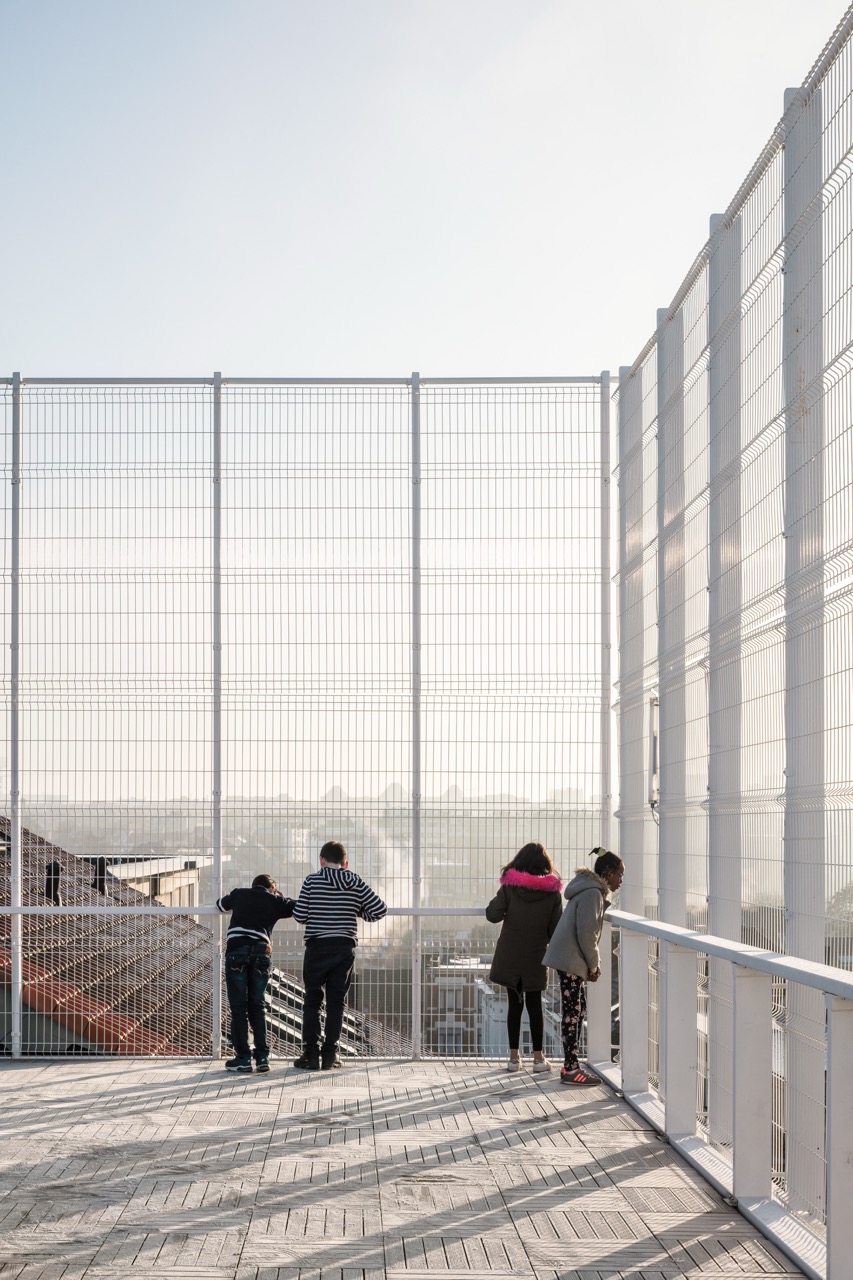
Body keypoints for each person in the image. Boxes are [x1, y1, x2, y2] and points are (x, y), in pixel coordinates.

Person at [291, 840, 387, 1071]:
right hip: (343, 948)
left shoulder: (312, 881)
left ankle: (311, 1054)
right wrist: (357, 910)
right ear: (345, 863)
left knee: (312, 1001)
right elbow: (379, 909)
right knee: (336, 1003)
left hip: (317, 947)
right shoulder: (354, 880)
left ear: (321, 860)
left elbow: (300, 915)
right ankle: (330, 1055)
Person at [543, 847, 624, 1085]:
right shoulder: (592, 894)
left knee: (576, 1011)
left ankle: (571, 1066)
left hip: (569, 957)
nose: (620, 881)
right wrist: (594, 965)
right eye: (619, 875)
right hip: (571, 959)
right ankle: (570, 1070)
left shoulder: (588, 889)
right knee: (573, 1014)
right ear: (608, 873)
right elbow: (587, 934)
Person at [485, 841, 563, 1072]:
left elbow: (492, 915)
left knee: (514, 1004)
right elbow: (555, 930)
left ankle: (513, 1059)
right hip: (535, 955)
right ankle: (538, 1059)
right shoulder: (552, 893)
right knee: (535, 1005)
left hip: (510, 954)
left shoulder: (511, 886)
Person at [216, 873, 295, 1073]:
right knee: (257, 1006)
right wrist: (279, 897)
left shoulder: (240, 894)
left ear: (254, 886)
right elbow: (297, 907)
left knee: (238, 1007)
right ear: (272, 889)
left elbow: (220, 905)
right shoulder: (275, 900)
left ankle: (243, 1058)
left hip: (237, 950)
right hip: (261, 951)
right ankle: (262, 1058)